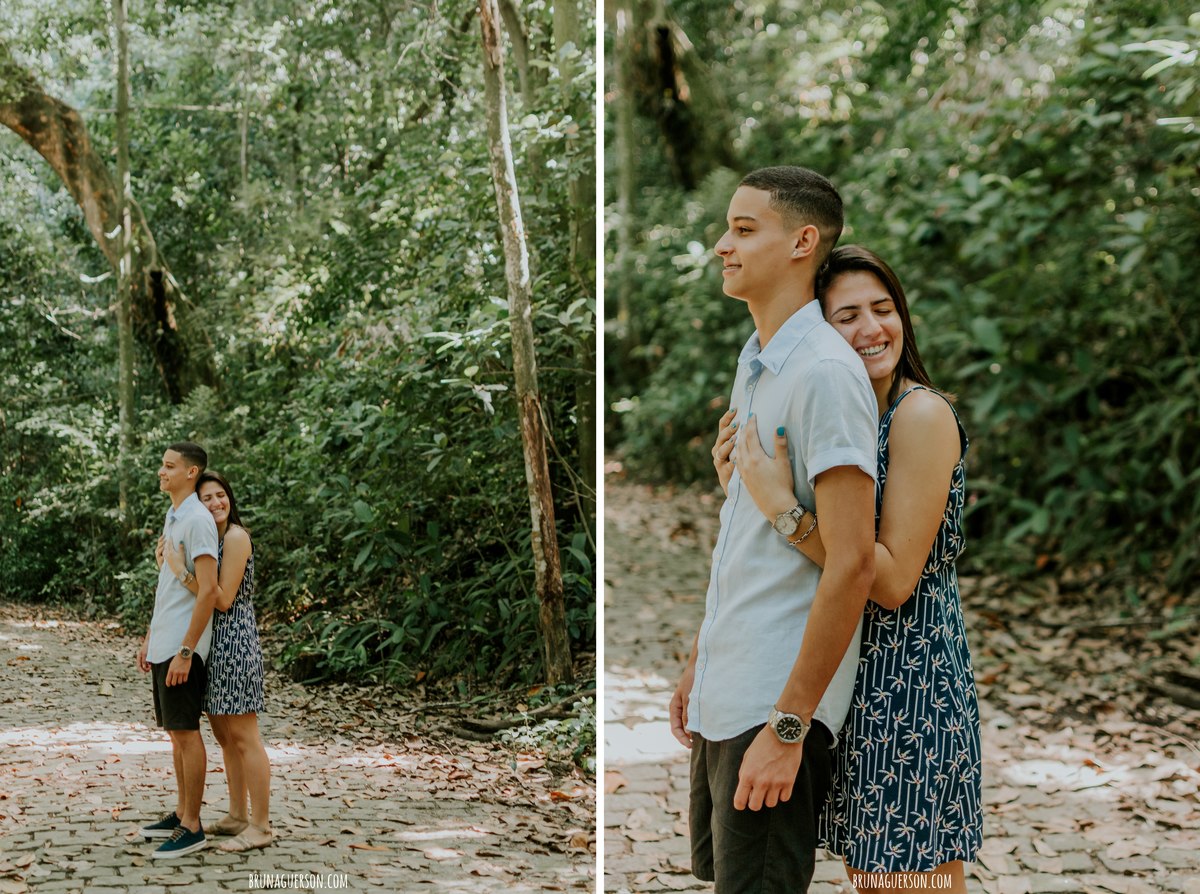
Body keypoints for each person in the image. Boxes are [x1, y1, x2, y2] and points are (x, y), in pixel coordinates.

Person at [720, 245, 982, 892]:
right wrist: (738, 483)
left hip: (908, 681)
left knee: (910, 884)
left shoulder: (918, 416)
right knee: (874, 880)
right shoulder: (836, 413)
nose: (871, 329)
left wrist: (780, 507)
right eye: (847, 317)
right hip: (841, 673)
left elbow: (889, 580)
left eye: (883, 309)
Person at [668, 166, 879, 894]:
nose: (722, 244)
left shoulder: (825, 371)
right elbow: (748, 532)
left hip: (774, 702)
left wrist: (789, 728)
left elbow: (852, 563)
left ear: (803, 241)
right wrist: (703, 658)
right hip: (732, 685)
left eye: (744, 229)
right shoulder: (757, 362)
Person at [161, 469, 273, 852]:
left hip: (236, 642)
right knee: (225, 737)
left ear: (230, 498)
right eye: (206, 498)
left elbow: (222, 599)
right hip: (213, 643)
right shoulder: (212, 538)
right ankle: (238, 815)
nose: (215, 503)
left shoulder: (237, 537)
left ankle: (261, 825)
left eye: (220, 495)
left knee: (245, 737)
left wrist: (180, 571)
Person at [137, 442, 219, 858]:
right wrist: (151, 636)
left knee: (187, 732)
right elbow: (170, 586)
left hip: (185, 645)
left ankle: (193, 826)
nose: (160, 471)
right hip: (166, 640)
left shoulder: (198, 521)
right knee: (175, 732)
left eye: (169, 466)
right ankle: (182, 810)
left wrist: (187, 650)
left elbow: (208, 592)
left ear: (191, 473)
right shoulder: (174, 516)